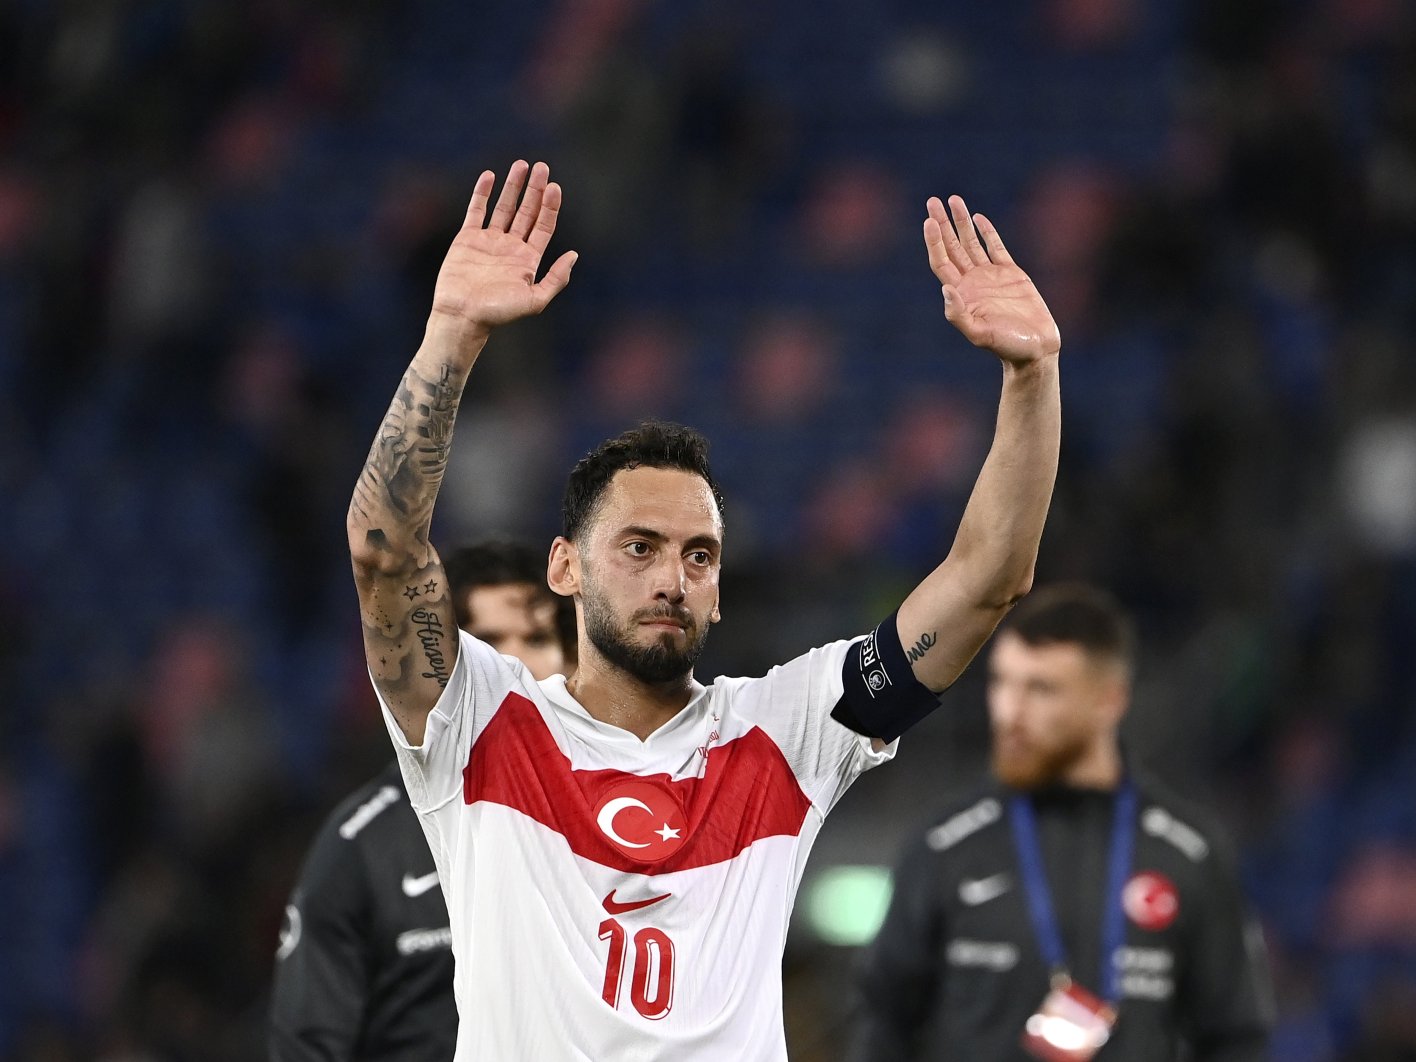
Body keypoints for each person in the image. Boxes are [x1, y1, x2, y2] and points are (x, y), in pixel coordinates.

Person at [343, 158, 1061, 1058]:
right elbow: (383, 552)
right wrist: (450, 334)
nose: (672, 578)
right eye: (639, 548)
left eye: (699, 556)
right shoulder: (479, 723)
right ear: (563, 568)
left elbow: (988, 576)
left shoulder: (789, 729)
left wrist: (1033, 377)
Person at [849, 584, 1274, 1062]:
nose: (1011, 712)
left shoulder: (1187, 853)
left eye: (1041, 689)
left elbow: (1236, 1037)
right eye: (1001, 682)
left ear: (1109, 700)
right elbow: (883, 1022)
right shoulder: (946, 846)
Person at [270, 540, 576, 1061]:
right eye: (488, 641)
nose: (516, 663)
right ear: (439, 665)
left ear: (574, 658)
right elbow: (307, 1046)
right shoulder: (363, 847)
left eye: (537, 638)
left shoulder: (628, 820)